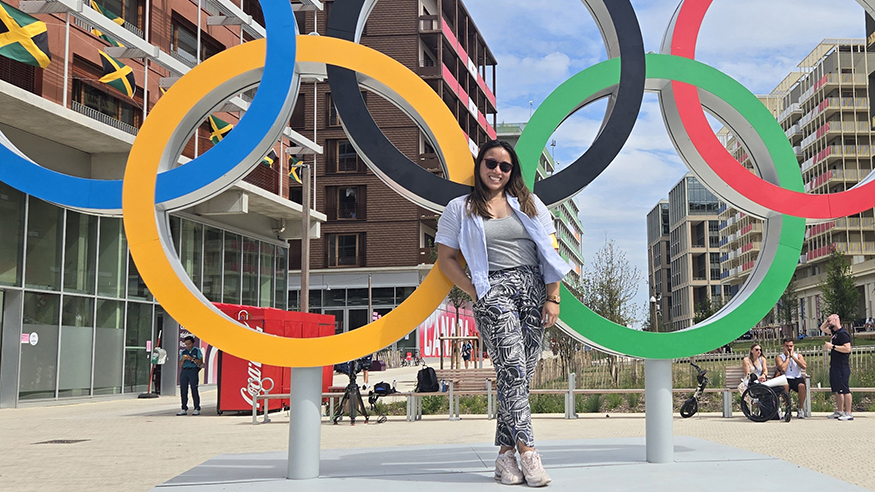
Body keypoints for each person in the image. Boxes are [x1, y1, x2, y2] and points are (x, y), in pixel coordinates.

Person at [436, 139, 570, 487]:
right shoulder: (460, 207)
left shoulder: (529, 202)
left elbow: (549, 252)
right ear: (480, 166)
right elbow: (446, 257)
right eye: (490, 163)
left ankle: (504, 455)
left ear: (513, 172)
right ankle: (528, 452)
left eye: (504, 166)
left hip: (533, 289)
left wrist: (553, 297)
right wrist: (475, 290)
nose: (497, 170)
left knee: (520, 376)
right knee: (512, 368)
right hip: (492, 289)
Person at [820, 314, 853, 421]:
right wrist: (828, 321)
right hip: (834, 364)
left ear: (836, 320)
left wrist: (832, 347)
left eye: (830, 321)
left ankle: (848, 412)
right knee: (837, 389)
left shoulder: (843, 334)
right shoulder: (835, 333)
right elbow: (822, 328)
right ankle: (839, 411)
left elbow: (847, 349)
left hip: (842, 366)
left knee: (845, 389)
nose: (828, 323)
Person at [775, 338, 807, 419]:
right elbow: (783, 369)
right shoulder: (779, 357)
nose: (789, 348)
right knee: (785, 386)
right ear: (783, 346)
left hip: (797, 378)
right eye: (787, 346)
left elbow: (804, 366)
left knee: (802, 386)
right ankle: (788, 408)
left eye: (791, 346)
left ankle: (800, 409)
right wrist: (788, 358)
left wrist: (793, 356)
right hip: (785, 378)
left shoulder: (798, 356)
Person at [178, 335, 203, 416]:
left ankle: (196, 408)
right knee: (183, 389)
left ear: (192, 343)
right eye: (186, 344)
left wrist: (191, 358)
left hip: (193, 370)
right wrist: (183, 359)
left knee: (194, 389)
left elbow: (200, 362)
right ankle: (184, 408)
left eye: (189, 344)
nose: (188, 346)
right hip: (185, 370)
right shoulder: (183, 352)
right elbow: (180, 364)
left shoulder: (197, 350)